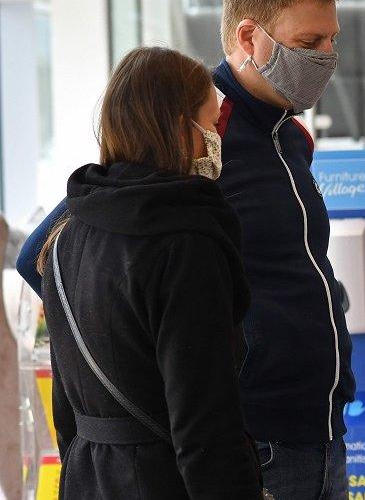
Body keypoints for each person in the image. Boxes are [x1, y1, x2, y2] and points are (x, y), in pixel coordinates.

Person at [19, 0, 355, 498]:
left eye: (332, 40)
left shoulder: (291, 136)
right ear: (250, 37)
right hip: (244, 439)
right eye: (309, 42)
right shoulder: (197, 133)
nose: (327, 57)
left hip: (320, 428)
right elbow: (52, 251)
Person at [34, 46, 261, 499]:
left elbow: (66, 408)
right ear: (179, 126)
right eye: (212, 123)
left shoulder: (64, 236)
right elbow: (204, 424)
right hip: (164, 482)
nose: (217, 137)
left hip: (87, 479)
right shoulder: (186, 240)